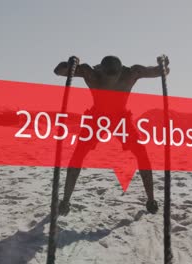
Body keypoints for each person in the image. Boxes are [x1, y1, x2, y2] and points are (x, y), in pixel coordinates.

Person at [54, 55, 170, 215]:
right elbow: (59, 71)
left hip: (121, 118)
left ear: (120, 72)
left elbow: (160, 72)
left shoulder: (131, 73)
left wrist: (163, 65)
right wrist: (70, 63)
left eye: (113, 77)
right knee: (78, 156)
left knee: (141, 153)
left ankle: (151, 199)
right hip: (97, 117)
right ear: (100, 70)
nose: (109, 81)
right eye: (105, 77)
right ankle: (65, 201)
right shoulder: (91, 73)